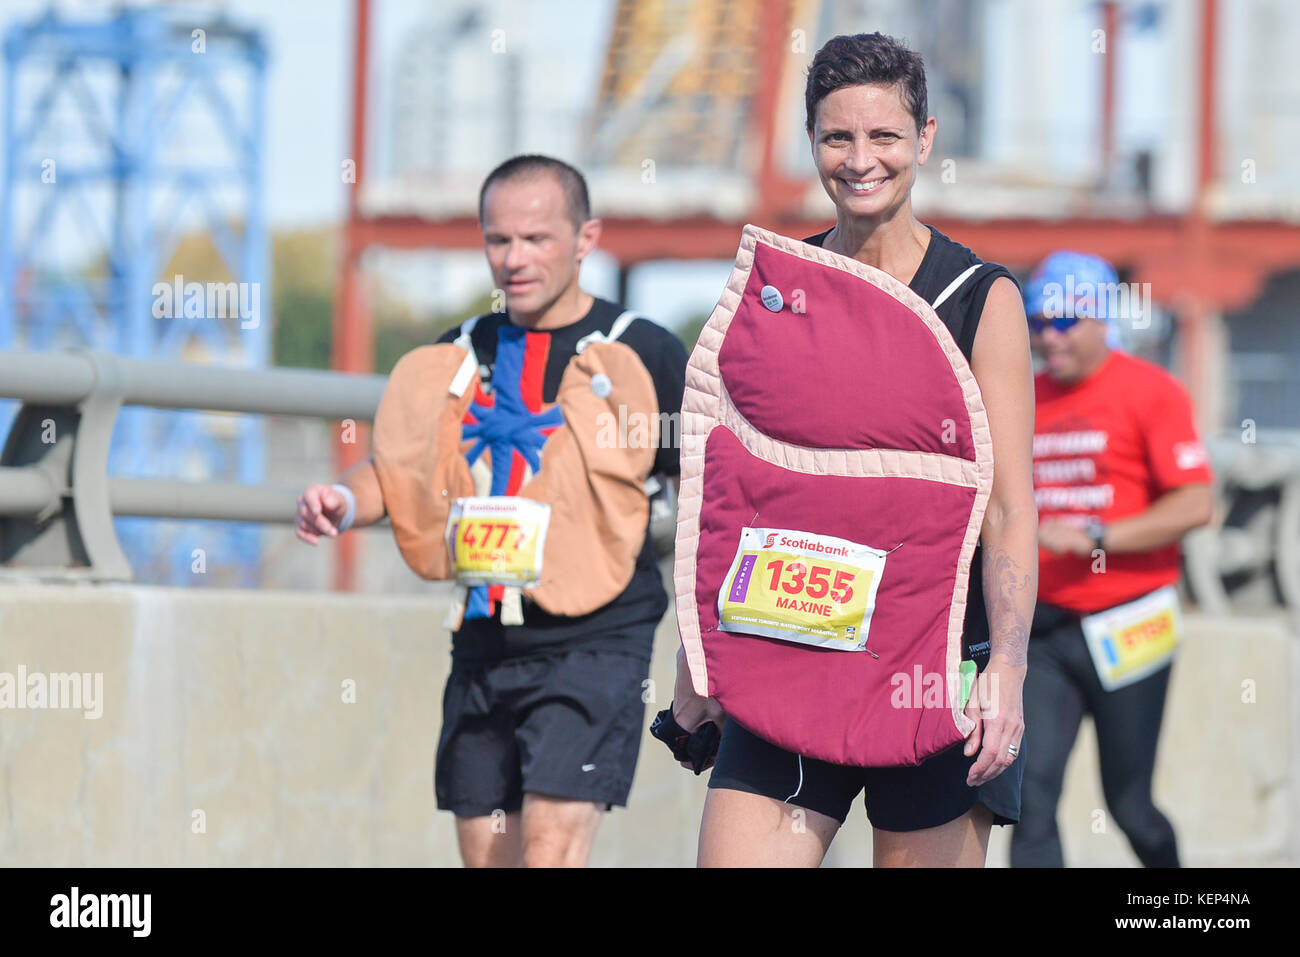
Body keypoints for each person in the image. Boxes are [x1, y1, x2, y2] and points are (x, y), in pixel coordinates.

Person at [671, 32, 1038, 867]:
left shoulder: (983, 299)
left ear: (926, 140)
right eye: (838, 137)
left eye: (885, 137)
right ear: (811, 142)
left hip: (938, 665)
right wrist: (698, 655)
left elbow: (1012, 506)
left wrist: (1008, 667)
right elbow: (731, 489)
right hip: (792, 651)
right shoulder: (779, 289)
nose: (861, 159)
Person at [295, 155, 688, 867]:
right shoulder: (458, 351)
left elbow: (703, 484)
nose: (514, 259)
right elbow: (399, 467)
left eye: (536, 239)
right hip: (483, 638)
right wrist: (345, 500)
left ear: (585, 238)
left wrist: (711, 647)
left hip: (599, 636)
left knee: (550, 849)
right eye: (497, 240)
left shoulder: (641, 350)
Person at [1010, 251, 1214, 867]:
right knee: (1029, 800)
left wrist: (1096, 536)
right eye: (1038, 320)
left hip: (1130, 621)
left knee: (1130, 807)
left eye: (1066, 320)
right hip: (1044, 629)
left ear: (1102, 319)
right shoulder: (1023, 396)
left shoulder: (1151, 390)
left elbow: (1197, 504)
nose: (1049, 334)